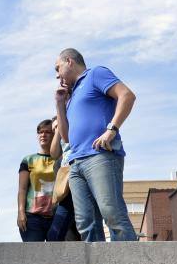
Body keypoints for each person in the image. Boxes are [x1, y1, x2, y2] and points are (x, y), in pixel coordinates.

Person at [54, 48, 138, 241]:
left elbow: (127, 95)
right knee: (85, 223)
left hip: (100, 156)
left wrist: (112, 129)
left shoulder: (95, 74)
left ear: (69, 61)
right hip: (75, 163)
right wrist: (59, 103)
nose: (57, 75)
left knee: (112, 213)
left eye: (58, 68)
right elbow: (66, 137)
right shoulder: (71, 95)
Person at [47, 116, 90, 241]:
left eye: (58, 126)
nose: (57, 129)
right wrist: (58, 130)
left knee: (86, 225)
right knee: (59, 235)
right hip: (66, 194)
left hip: (80, 182)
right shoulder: (59, 159)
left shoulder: (75, 134)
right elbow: (54, 153)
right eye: (54, 128)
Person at [18, 119, 57, 241]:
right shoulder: (28, 160)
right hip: (32, 217)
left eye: (47, 132)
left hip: (56, 217)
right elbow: (22, 189)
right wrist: (21, 212)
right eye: (40, 132)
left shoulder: (62, 160)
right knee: (34, 258)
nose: (43, 135)